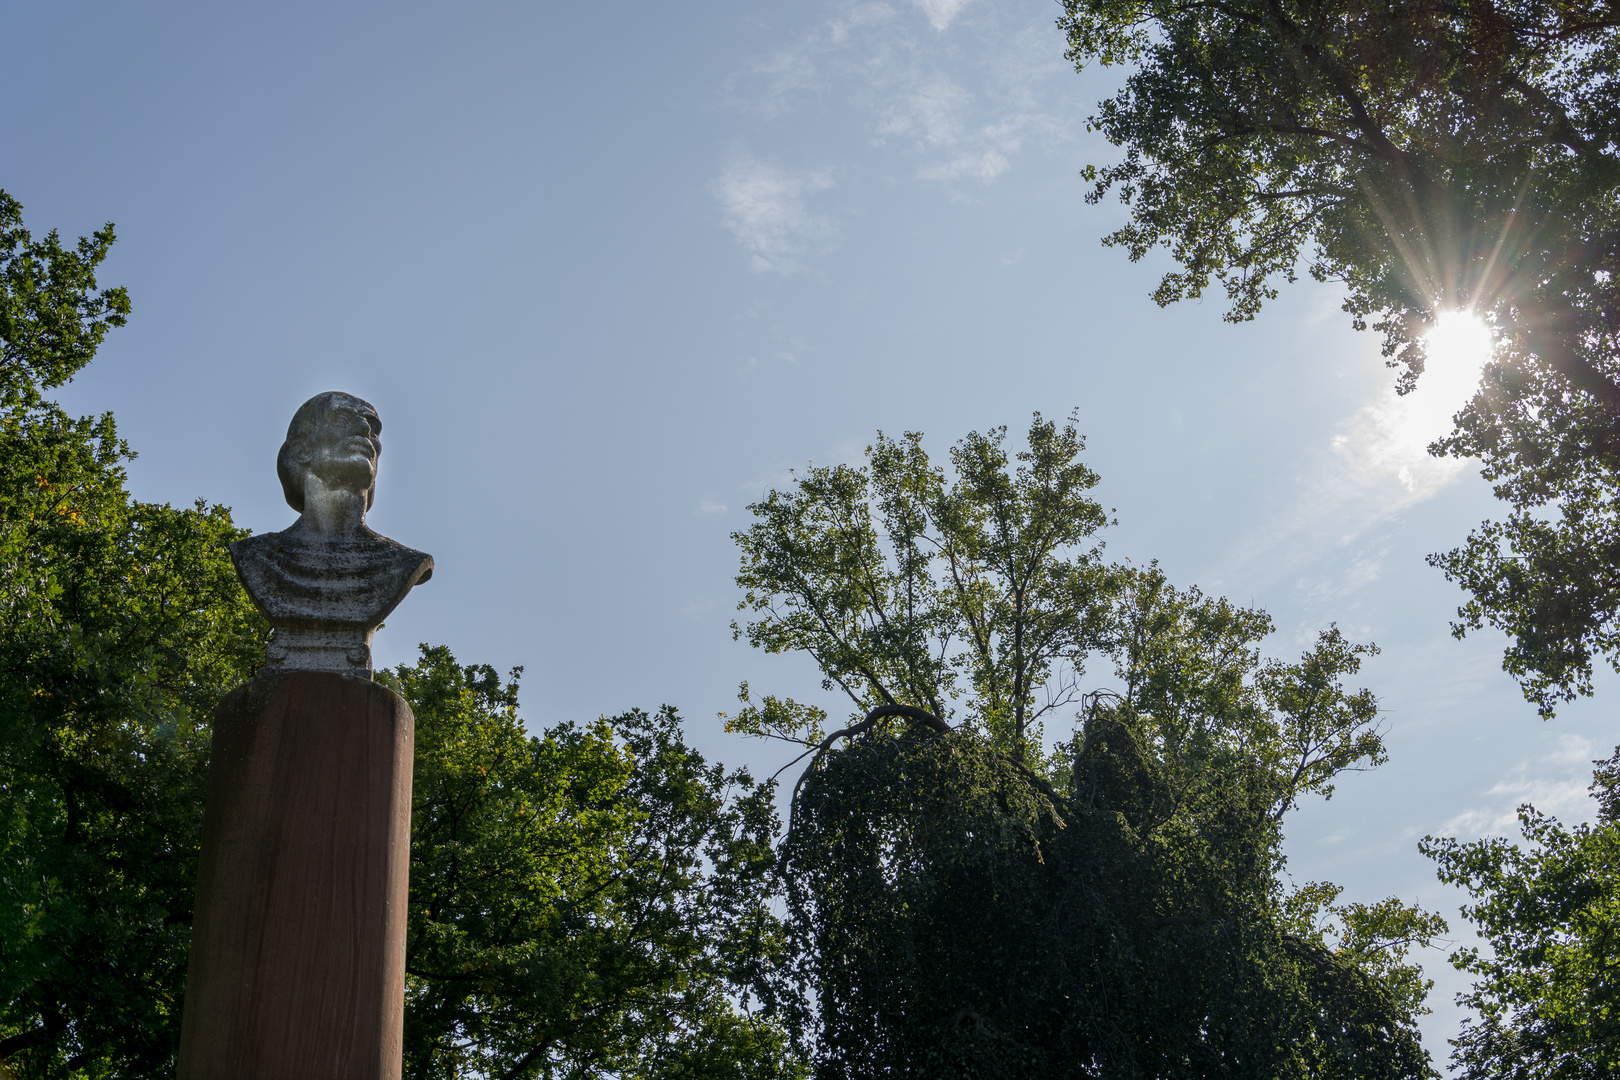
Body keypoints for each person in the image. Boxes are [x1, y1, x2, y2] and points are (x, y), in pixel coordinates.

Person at [231, 391, 433, 677]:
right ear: (303, 450)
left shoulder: (401, 564)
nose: (365, 431)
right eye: (342, 420)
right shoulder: (255, 557)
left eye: (373, 429)